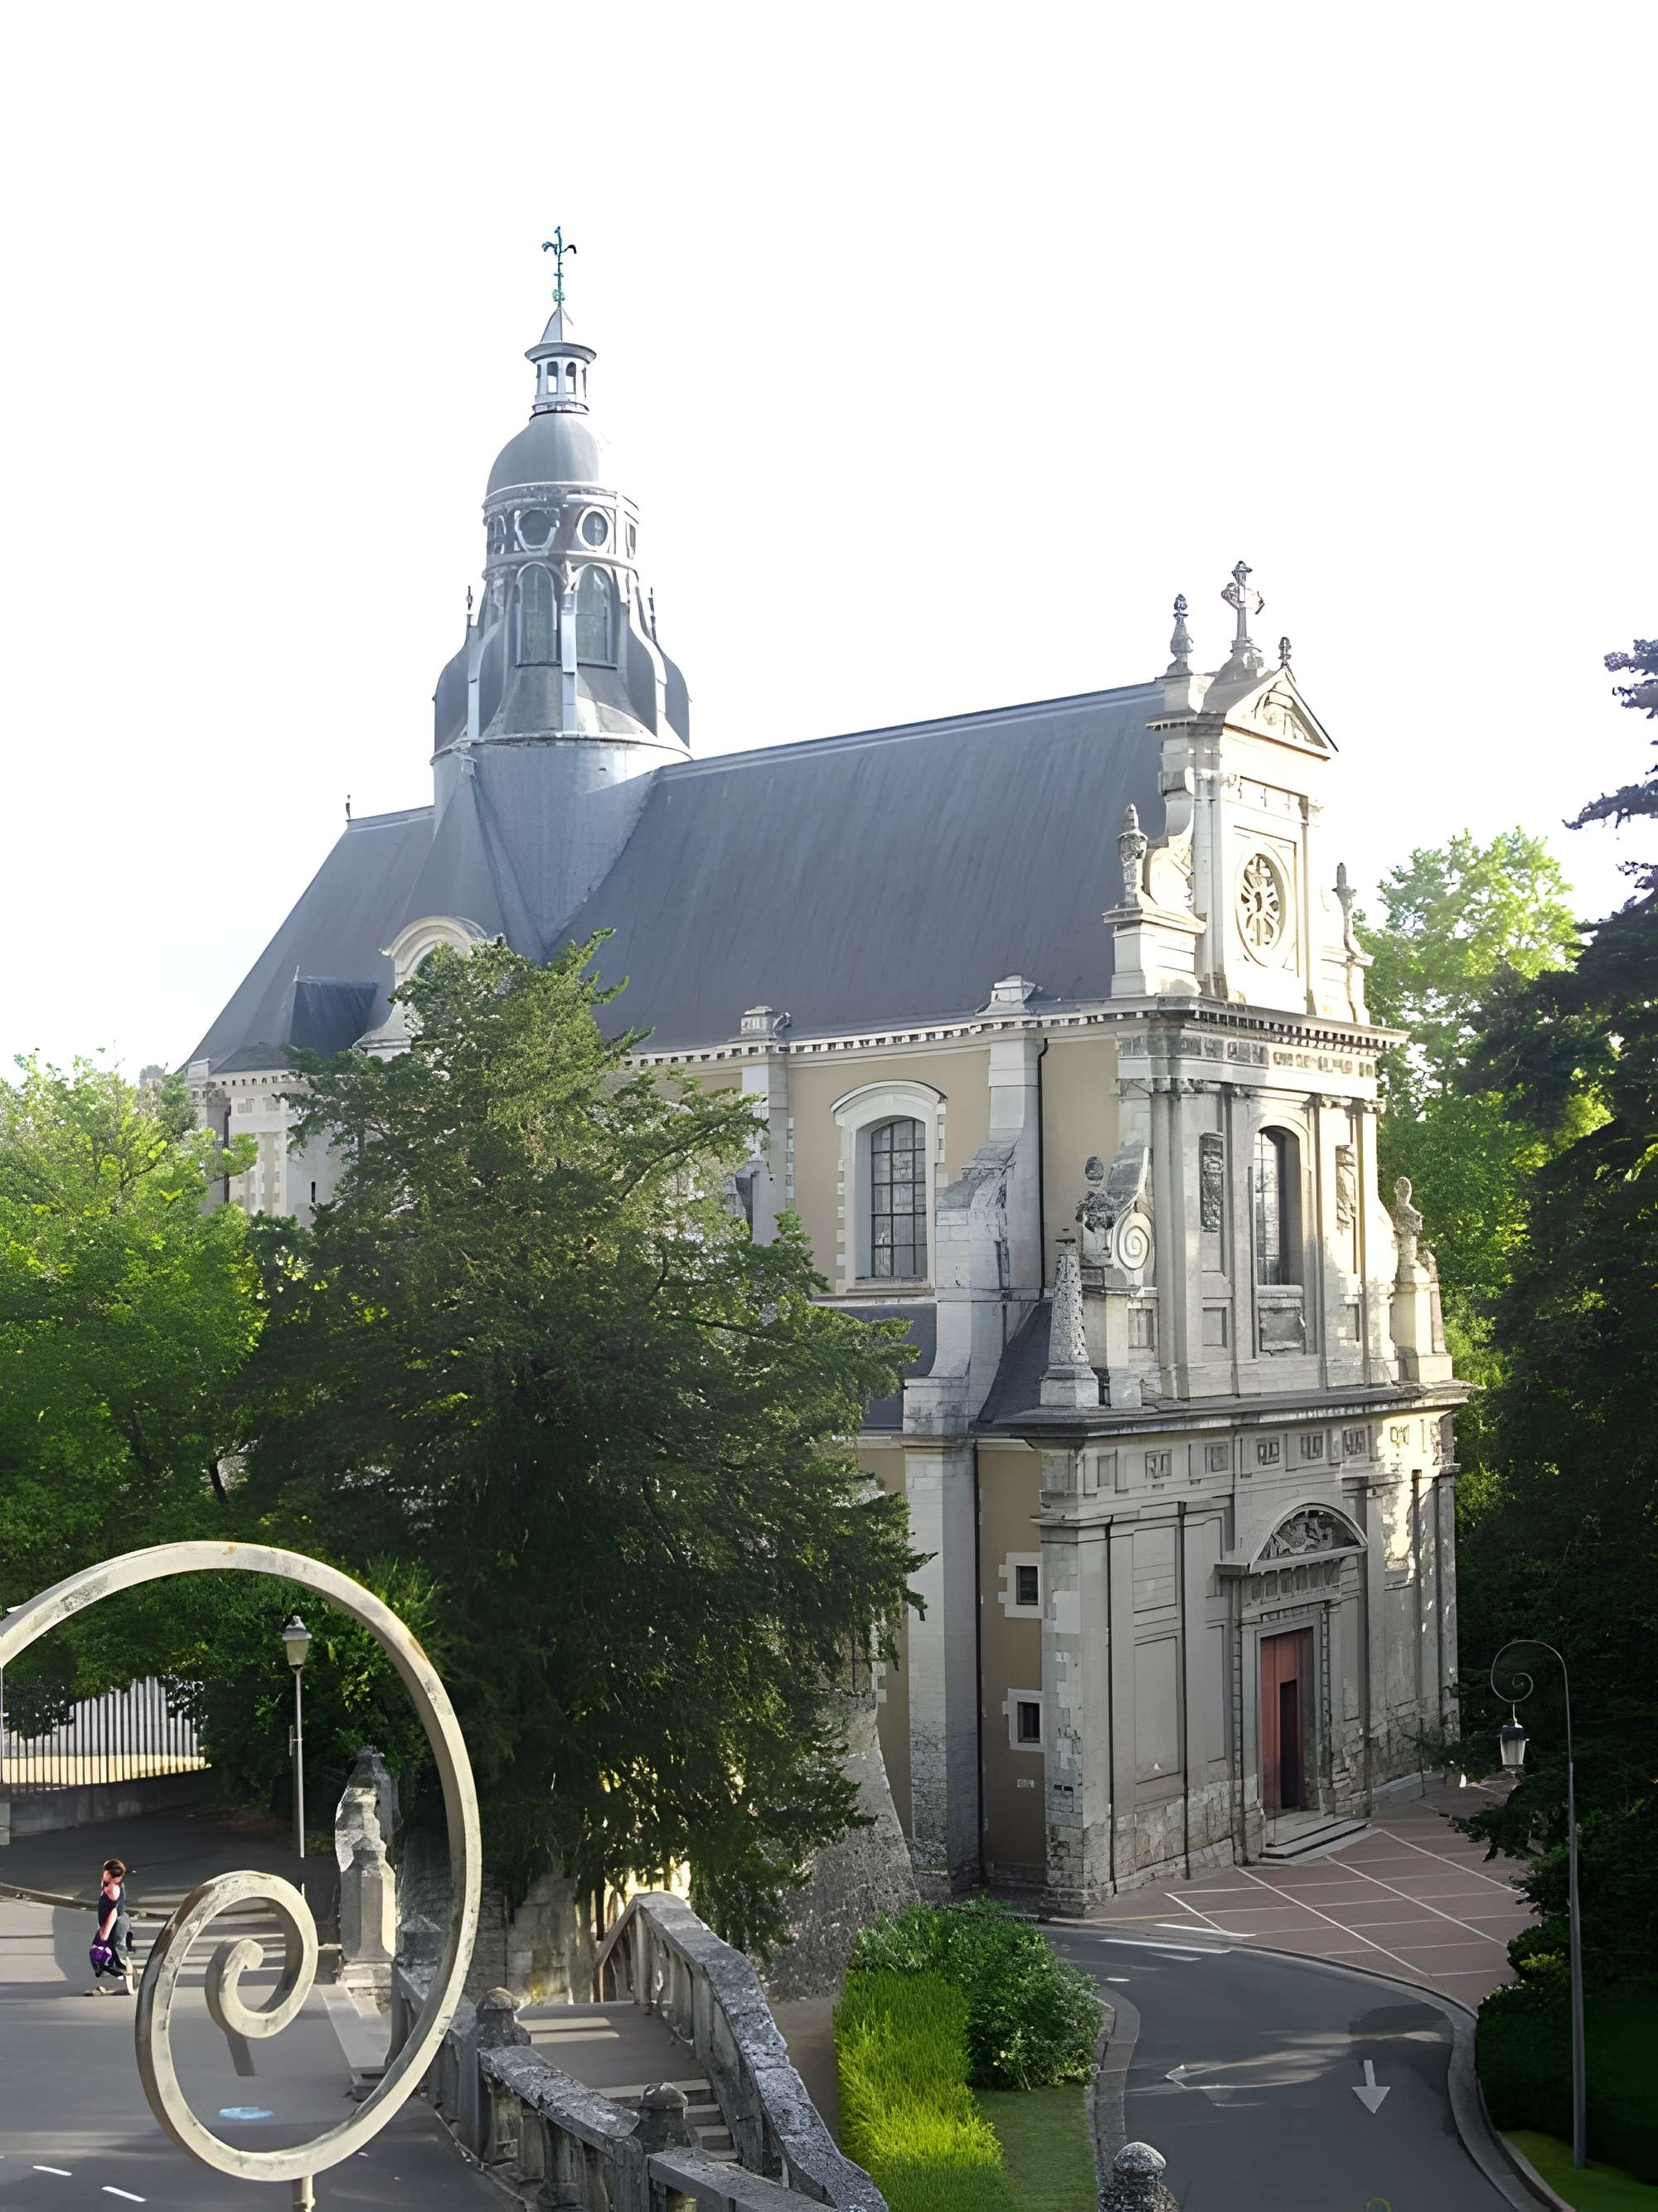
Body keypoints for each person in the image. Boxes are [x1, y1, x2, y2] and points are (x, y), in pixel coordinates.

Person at [85, 1856, 134, 1997]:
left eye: (105, 1872)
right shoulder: (111, 1885)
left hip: (115, 1924)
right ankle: (121, 1982)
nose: (103, 1874)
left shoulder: (113, 1889)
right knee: (114, 1953)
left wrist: (104, 1933)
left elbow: (113, 1913)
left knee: (107, 1954)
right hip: (117, 1922)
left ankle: (108, 1985)